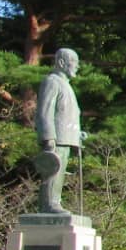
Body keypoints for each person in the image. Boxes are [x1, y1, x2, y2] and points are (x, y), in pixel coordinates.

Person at [35, 48, 81, 214]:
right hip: (57, 138)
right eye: (74, 62)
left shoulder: (66, 85)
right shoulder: (52, 81)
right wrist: (48, 136)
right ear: (61, 62)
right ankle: (49, 204)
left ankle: (55, 201)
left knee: (60, 174)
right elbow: (45, 111)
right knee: (53, 171)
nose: (77, 66)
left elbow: (67, 115)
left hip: (66, 137)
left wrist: (77, 133)